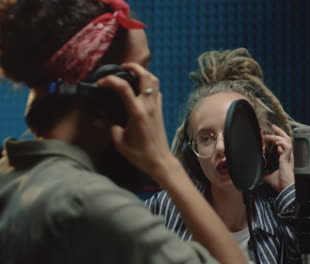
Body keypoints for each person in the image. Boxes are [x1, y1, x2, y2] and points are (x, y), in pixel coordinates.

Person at [0, 0, 246, 263]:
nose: (151, 89)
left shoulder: (10, 174)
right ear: (109, 91)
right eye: (140, 72)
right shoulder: (91, 204)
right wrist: (163, 162)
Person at [145, 48, 310, 263]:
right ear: (193, 153)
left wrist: (291, 195)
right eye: (206, 138)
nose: (220, 147)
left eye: (233, 133)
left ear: (262, 143)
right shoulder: (163, 211)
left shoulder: (283, 214)